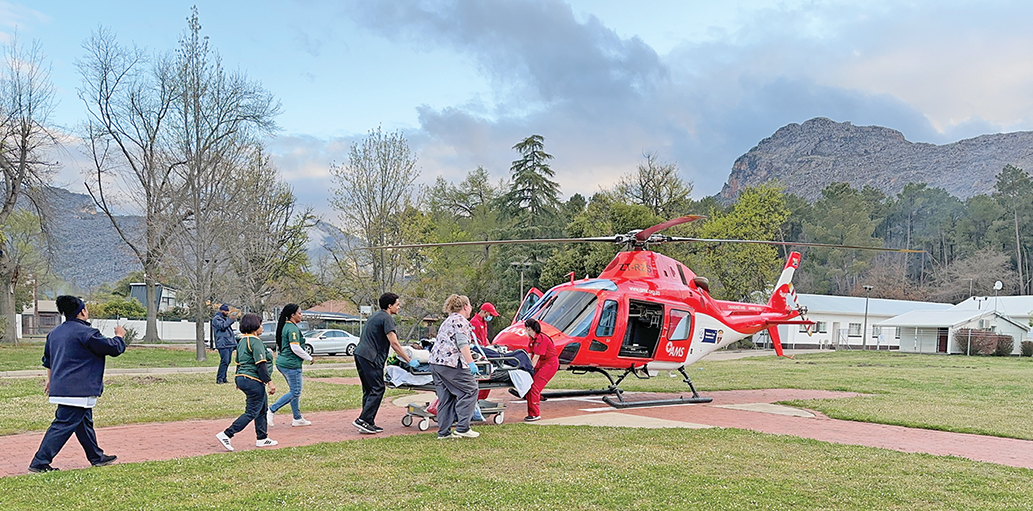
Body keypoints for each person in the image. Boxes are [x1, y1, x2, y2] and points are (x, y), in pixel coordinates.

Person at [29, 296, 126, 473]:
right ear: (82, 311)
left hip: (62, 386)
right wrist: (119, 336)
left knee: (83, 423)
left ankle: (96, 456)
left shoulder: (54, 333)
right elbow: (113, 348)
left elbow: (48, 361)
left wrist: (50, 381)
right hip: (78, 389)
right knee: (63, 424)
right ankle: (39, 462)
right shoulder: (87, 333)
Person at [352, 292, 416, 434]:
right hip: (371, 357)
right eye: (397, 305)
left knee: (369, 389)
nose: (399, 307)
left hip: (360, 354)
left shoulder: (375, 316)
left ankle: (367, 422)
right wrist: (409, 360)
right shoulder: (387, 318)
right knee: (378, 388)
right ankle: (363, 419)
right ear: (389, 305)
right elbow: (394, 343)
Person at [216, 313, 277, 451]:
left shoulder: (242, 341)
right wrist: (270, 382)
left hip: (242, 378)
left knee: (262, 408)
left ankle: (262, 438)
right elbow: (261, 364)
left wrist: (238, 380)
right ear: (255, 326)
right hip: (252, 379)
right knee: (252, 411)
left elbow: (238, 363)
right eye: (260, 324)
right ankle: (227, 434)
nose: (262, 327)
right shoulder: (255, 341)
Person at [428, 294, 482, 439]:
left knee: (446, 396)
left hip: (436, 363)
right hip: (450, 363)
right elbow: (462, 343)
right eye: (470, 306)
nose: (471, 309)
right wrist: (471, 362)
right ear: (465, 307)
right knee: (470, 390)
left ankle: (444, 432)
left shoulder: (448, 320)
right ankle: (463, 427)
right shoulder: (460, 321)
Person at [267, 304, 314, 427]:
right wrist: (309, 357)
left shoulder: (287, 326)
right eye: (299, 313)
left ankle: (297, 418)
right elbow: (295, 347)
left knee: (294, 390)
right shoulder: (291, 328)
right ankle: (271, 410)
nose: (301, 315)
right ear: (292, 315)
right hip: (290, 364)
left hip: (284, 362)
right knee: (295, 391)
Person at [523, 318, 559, 422]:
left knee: (534, 387)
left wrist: (529, 370)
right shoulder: (532, 339)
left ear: (529, 328)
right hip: (542, 363)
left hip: (549, 364)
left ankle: (535, 414)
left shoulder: (541, 339)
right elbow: (529, 355)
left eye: (525, 328)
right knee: (530, 386)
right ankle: (531, 412)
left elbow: (535, 358)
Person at [469, 302, 499, 411]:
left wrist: (490, 347)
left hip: (484, 351)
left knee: (488, 377)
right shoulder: (474, 322)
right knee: (482, 377)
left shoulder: (483, 322)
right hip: (478, 352)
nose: (490, 317)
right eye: (490, 314)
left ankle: (481, 399)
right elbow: (472, 339)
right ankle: (476, 400)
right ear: (485, 312)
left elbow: (484, 337)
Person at [212, 304, 237, 384]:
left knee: (227, 361)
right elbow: (222, 326)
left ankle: (224, 378)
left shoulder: (224, 318)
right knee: (224, 361)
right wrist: (230, 320)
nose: (227, 312)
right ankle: (219, 378)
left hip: (228, 343)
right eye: (226, 311)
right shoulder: (217, 319)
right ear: (221, 311)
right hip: (222, 344)